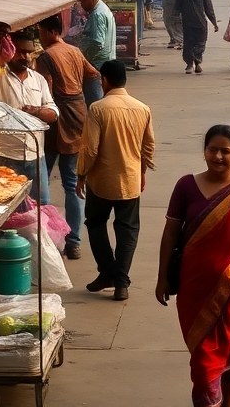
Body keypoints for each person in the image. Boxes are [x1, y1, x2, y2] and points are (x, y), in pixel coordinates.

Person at [156, 125, 230, 407]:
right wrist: (162, 277)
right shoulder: (186, 186)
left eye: (226, 151)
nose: (218, 156)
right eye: (213, 149)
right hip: (194, 284)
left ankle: (227, 402)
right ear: (204, 151)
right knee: (203, 356)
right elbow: (171, 233)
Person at [76, 60, 156, 301]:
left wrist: (81, 175)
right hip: (130, 180)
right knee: (127, 230)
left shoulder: (98, 109)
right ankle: (119, 281)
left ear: (105, 80)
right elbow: (148, 146)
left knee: (96, 223)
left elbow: (90, 149)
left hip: (101, 181)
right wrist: (141, 172)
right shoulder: (142, 108)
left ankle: (108, 272)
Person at [35, 15, 100, 259]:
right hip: (78, 115)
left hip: (56, 119)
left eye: (41, 32)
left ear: (51, 32)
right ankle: (74, 241)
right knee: (72, 184)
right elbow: (93, 74)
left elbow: (46, 92)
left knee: (41, 184)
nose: (40, 37)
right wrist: (93, 105)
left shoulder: (46, 57)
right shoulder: (74, 50)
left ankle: (45, 239)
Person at [0, 33, 58, 204]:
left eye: (29, 52)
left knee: (41, 206)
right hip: (4, 156)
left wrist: (35, 111)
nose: (26, 57)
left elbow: (53, 113)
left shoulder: (38, 80)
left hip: (36, 156)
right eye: (21, 52)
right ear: (10, 51)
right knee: (8, 207)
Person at [174, 0, 219, 74]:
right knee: (200, 43)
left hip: (187, 22)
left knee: (188, 43)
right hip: (201, 22)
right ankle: (197, 63)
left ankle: (190, 64)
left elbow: (177, 7)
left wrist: (175, 20)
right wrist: (214, 23)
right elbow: (209, 8)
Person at [77, 0, 115, 105]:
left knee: (95, 102)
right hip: (105, 61)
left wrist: (85, 59)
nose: (81, 4)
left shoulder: (97, 14)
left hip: (97, 64)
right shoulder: (104, 9)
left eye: (83, 0)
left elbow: (98, 43)